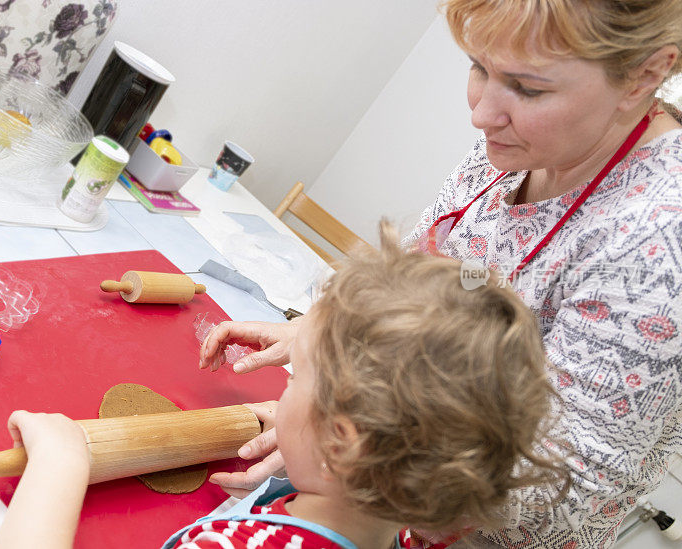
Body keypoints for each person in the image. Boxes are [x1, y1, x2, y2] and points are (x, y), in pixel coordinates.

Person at [199, 1, 682, 547]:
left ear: (645, 74)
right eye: (479, 67)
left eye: (527, 88)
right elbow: (421, 284)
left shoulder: (658, 238)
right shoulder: (518, 140)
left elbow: (573, 481)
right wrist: (325, 333)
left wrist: (361, 454)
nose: (481, 114)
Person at [0, 224, 566, 549]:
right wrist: (305, 453)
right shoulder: (394, 528)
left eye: (298, 381)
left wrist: (59, 466)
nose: (280, 394)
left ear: (343, 441)